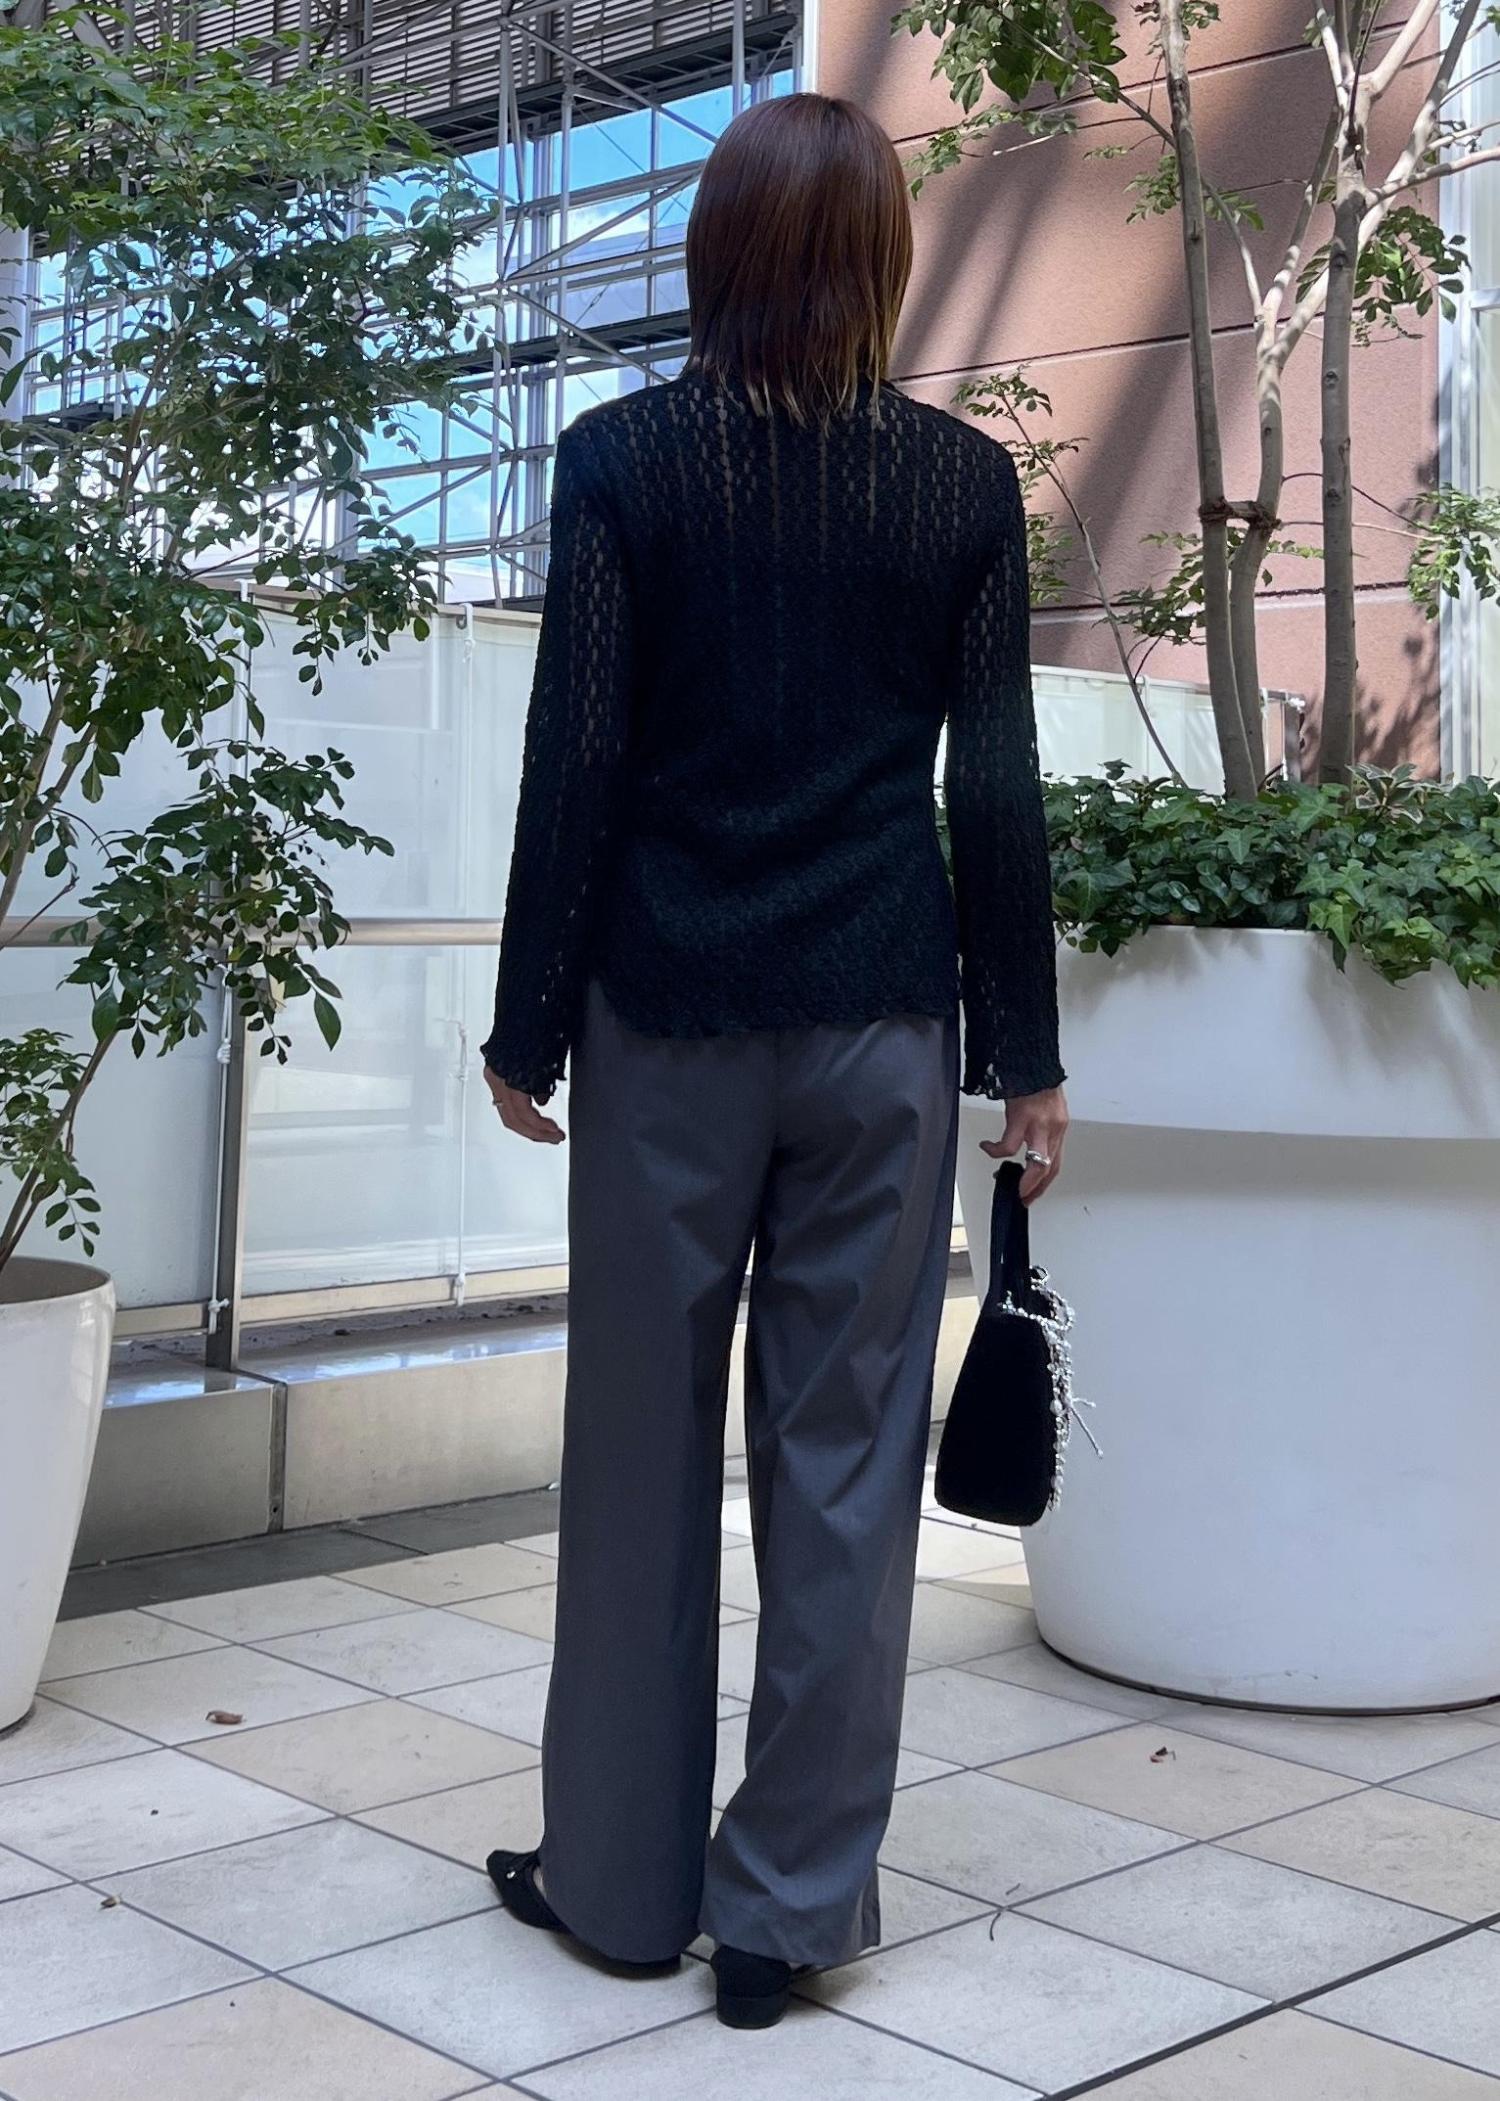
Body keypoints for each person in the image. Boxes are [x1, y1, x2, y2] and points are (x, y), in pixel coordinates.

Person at [479, 89, 1067, 2031]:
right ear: (886, 259)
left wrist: (528, 1018)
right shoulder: (960, 487)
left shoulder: (621, 461)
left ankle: (618, 1884)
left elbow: (578, 758)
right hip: (885, 1025)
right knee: (843, 1468)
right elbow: (995, 788)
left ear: (711, 249)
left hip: (665, 1021)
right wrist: (1028, 1052)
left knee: (635, 1457)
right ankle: (782, 1915)